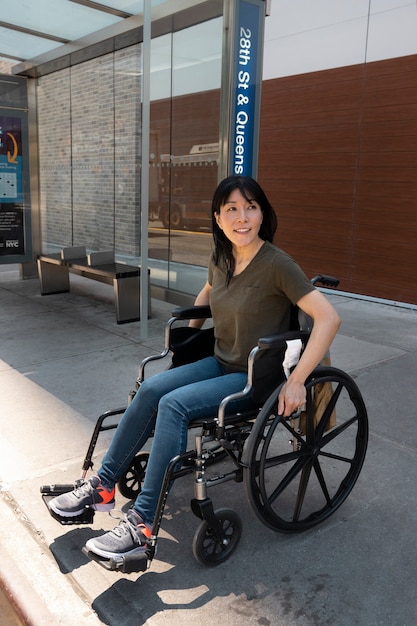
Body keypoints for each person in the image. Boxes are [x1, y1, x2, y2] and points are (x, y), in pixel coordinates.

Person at [49, 175, 341, 561]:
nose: (242, 217)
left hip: (252, 377)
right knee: (153, 388)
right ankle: (102, 487)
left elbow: (329, 318)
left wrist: (298, 381)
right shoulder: (222, 257)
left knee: (174, 405)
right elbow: (208, 292)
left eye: (250, 207)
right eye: (231, 209)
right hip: (220, 361)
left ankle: (142, 524)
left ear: (262, 214)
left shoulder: (278, 264)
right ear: (218, 218)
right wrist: (185, 342)